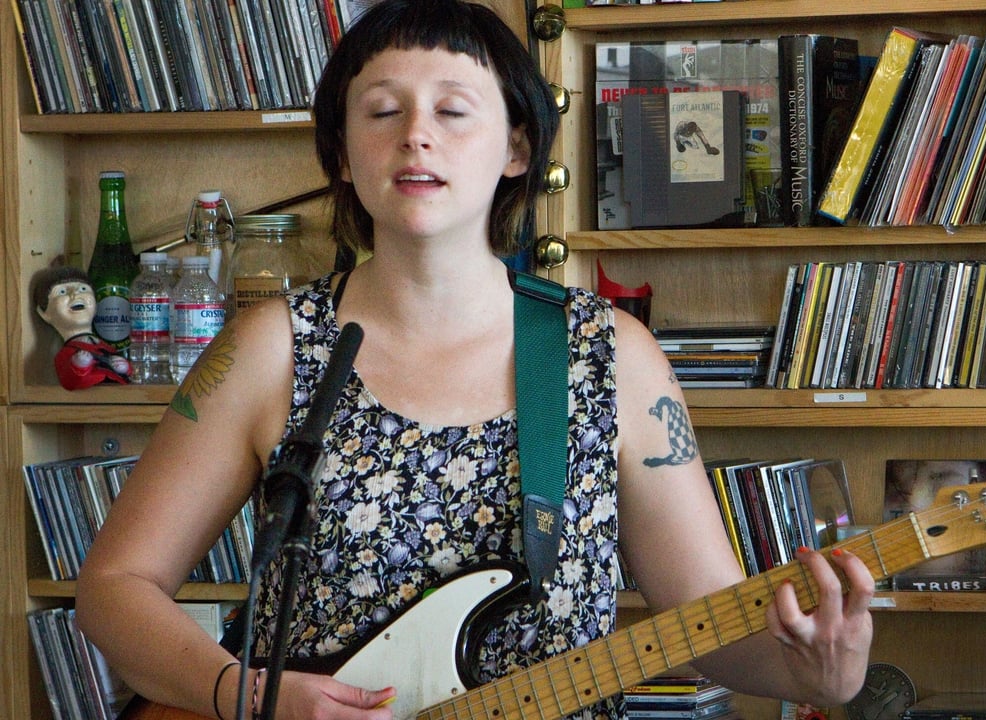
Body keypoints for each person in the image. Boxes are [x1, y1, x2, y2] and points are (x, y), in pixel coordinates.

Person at [75, 1, 876, 719]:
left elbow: (701, 623)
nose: (416, 133)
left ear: (517, 149)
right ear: (344, 156)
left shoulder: (608, 358)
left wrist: (820, 672)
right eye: (382, 110)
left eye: (454, 111)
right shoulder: (270, 348)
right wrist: (250, 697)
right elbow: (114, 592)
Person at [31, 264, 131, 390]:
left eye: (83, 289)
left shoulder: (103, 346)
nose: (75, 294)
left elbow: (125, 371)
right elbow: (69, 380)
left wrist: (124, 367)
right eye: (62, 292)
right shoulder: (67, 353)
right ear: (44, 314)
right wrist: (79, 365)